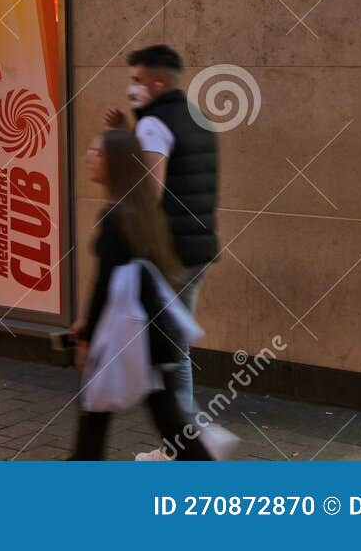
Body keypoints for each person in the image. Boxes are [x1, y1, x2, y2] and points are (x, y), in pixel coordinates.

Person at [71, 130, 215, 461]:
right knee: (163, 420)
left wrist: (87, 336)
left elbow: (104, 285)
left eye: (98, 153)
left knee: (102, 417)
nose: (89, 158)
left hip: (131, 337)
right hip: (149, 335)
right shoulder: (140, 210)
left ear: (115, 164)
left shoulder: (115, 216)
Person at [102, 44, 219, 436]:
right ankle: (182, 442)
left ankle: (184, 444)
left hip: (170, 253)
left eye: (137, 80)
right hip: (199, 248)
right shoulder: (197, 117)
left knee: (168, 351)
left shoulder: (153, 124)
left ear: (158, 81)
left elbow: (148, 191)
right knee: (170, 345)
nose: (132, 89)